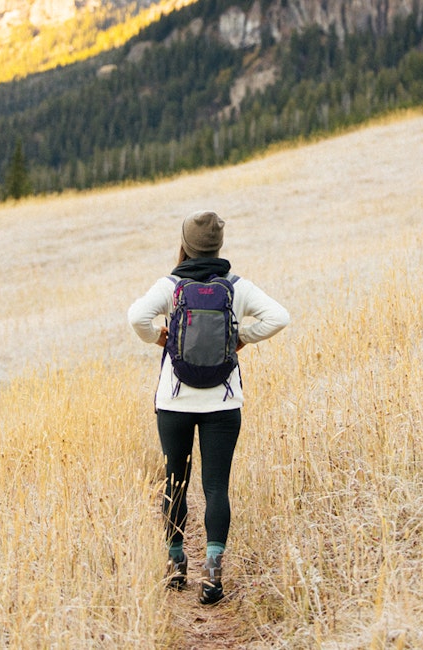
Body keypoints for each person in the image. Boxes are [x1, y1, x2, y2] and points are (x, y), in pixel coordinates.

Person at [128, 210, 290, 605]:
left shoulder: (171, 285)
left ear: (185, 243)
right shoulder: (236, 288)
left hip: (174, 400)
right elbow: (279, 316)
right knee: (216, 486)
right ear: (218, 245)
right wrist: (241, 337)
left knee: (175, 481)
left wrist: (159, 339)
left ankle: (175, 563)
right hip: (223, 401)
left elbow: (136, 317)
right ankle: (214, 571)